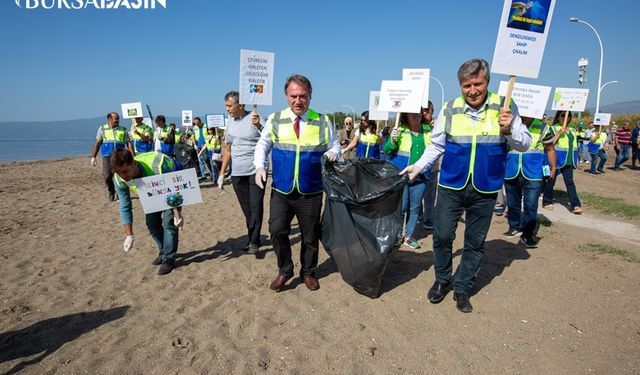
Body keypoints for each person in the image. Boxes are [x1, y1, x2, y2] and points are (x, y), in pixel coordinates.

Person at [400, 58, 531, 313]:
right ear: (460, 85)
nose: (472, 91)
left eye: (477, 84)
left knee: (474, 241)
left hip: (486, 186)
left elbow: (523, 143)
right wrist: (418, 166)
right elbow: (437, 145)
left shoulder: (504, 106)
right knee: (443, 235)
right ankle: (442, 280)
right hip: (451, 184)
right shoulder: (450, 109)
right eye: (466, 85)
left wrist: (508, 130)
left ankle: (462, 288)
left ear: (487, 82)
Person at [254, 74, 340, 292]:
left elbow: (335, 146)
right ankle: (285, 270)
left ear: (310, 96)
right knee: (277, 230)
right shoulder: (275, 119)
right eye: (293, 96)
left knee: (310, 236)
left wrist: (331, 154)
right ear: (286, 96)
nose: (298, 101)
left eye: (302, 96)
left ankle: (308, 273)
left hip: (310, 190)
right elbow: (263, 145)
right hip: (282, 189)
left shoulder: (323, 120)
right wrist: (260, 166)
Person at [110, 148, 181, 275]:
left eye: (125, 171)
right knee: (152, 224)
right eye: (120, 173)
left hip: (173, 178)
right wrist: (129, 235)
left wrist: (178, 214)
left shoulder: (158, 166)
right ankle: (163, 251)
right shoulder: (119, 179)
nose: (124, 176)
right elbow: (125, 206)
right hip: (150, 191)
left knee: (168, 223)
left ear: (133, 163)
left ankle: (169, 259)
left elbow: (175, 192)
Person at [220, 90, 266, 254]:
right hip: (237, 174)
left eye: (229, 106)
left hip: (256, 171)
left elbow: (269, 139)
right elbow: (227, 149)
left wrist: (259, 125)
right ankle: (254, 236)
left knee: (255, 206)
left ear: (241, 105)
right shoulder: (230, 122)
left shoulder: (255, 117)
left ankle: (253, 241)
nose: (227, 109)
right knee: (247, 209)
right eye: (226, 106)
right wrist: (221, 173)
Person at [503, 117, 556, 248]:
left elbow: (550, 148)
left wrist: (553, 167)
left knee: (531, 204)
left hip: (533, 172)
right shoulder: (510, 124)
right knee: (512, 202)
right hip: (511, 170)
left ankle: (527, 234)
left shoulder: (543, 127)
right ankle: (514, 227)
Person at [384, 111, 432, 249]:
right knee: (402, 207)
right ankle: (398, 235)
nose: (415, 115)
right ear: (406, 116)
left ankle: (409, 236)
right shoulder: (399, 130)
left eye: (417, 113)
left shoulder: (428, 130)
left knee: (415, 208)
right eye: (412, 113)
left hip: (421, 176)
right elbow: (388, 150)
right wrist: (391, 140)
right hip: (402, 175)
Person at [542, 111, 582, 214]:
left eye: (568, 115)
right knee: (550, 181)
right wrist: (559, 133)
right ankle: (547, 201)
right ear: (558, 117)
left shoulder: (572, 130)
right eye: (563, 115)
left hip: (568, 160)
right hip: (556, 159)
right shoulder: (552, 128)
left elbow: (574, 145)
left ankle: (575, 205)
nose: (566, 117)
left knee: (570, 182)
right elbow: (550, 144)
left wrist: (576, 159)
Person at [90, 112, 134, 201]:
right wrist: (93, 157)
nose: (118, 120)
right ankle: (111, 191)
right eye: (116, 118)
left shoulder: (123, 129)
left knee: (119, 176)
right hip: (107, 156)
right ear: (109, 119)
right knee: (107, 176)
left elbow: (128, 143)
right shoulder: (102, 129)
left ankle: (118, 194)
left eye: (118, 118)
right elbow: (97, 143)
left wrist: (133, 156)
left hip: (119, 157)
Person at [420, 101, 438, 230]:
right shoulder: (416, 125)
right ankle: (419, 214)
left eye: (428, 110)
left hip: (433, 167)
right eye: (423, 110)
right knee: (417, 193)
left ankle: (428, 218)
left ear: (432, 110)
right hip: (418, 166)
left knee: (430, 195)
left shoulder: (438, 125)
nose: (425, 112)